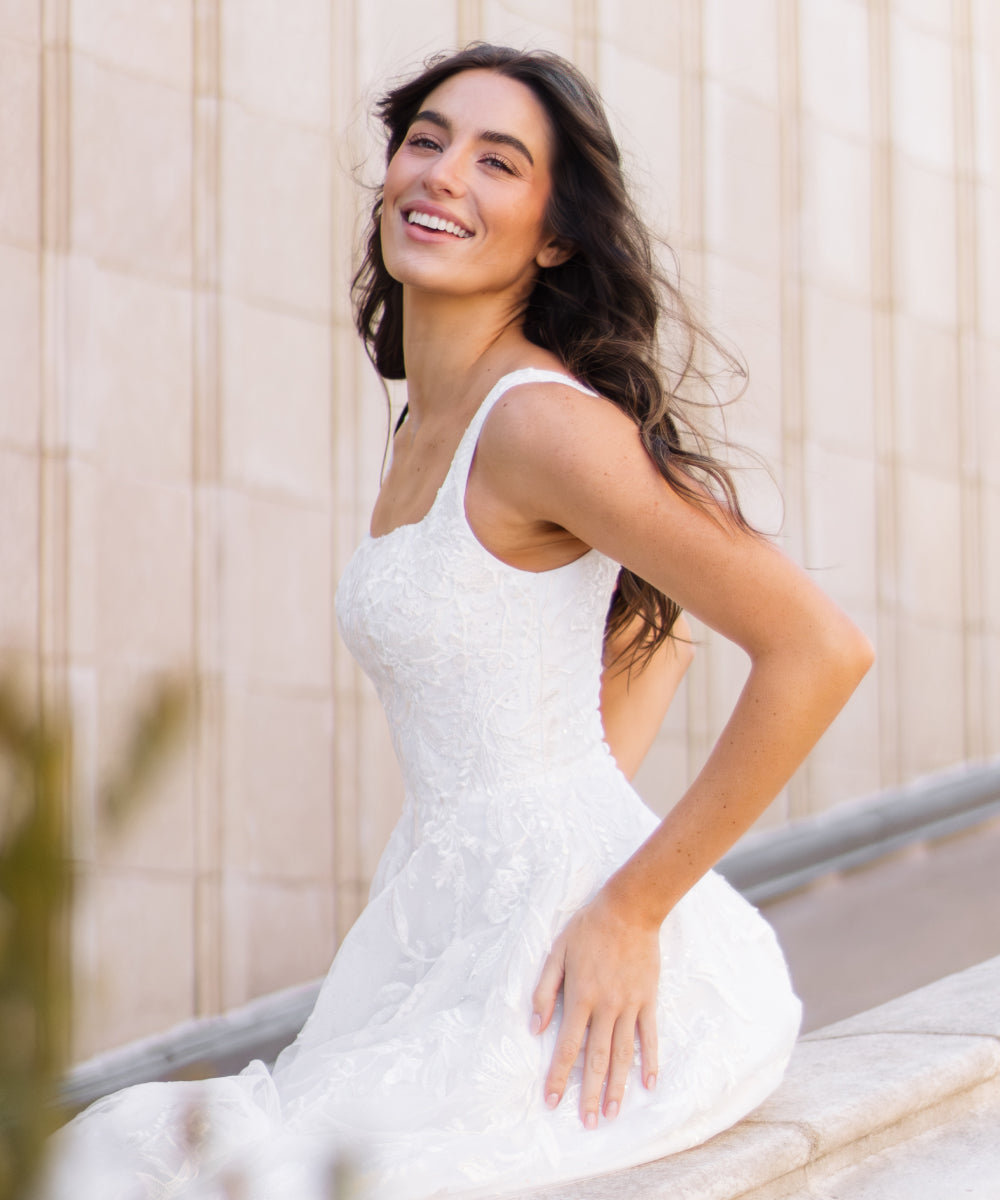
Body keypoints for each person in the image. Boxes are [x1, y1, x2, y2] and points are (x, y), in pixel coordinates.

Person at [47, 43, 873, 1200]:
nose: (440, 175)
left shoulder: (539, 425)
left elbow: (820, 648)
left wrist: (627, 902)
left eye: (497, 161)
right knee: (130, 1153)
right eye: (426, 140)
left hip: (593, 975)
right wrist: (519, 868)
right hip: (453, 921)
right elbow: (658, 623)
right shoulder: (428, 425)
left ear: (554, 235)